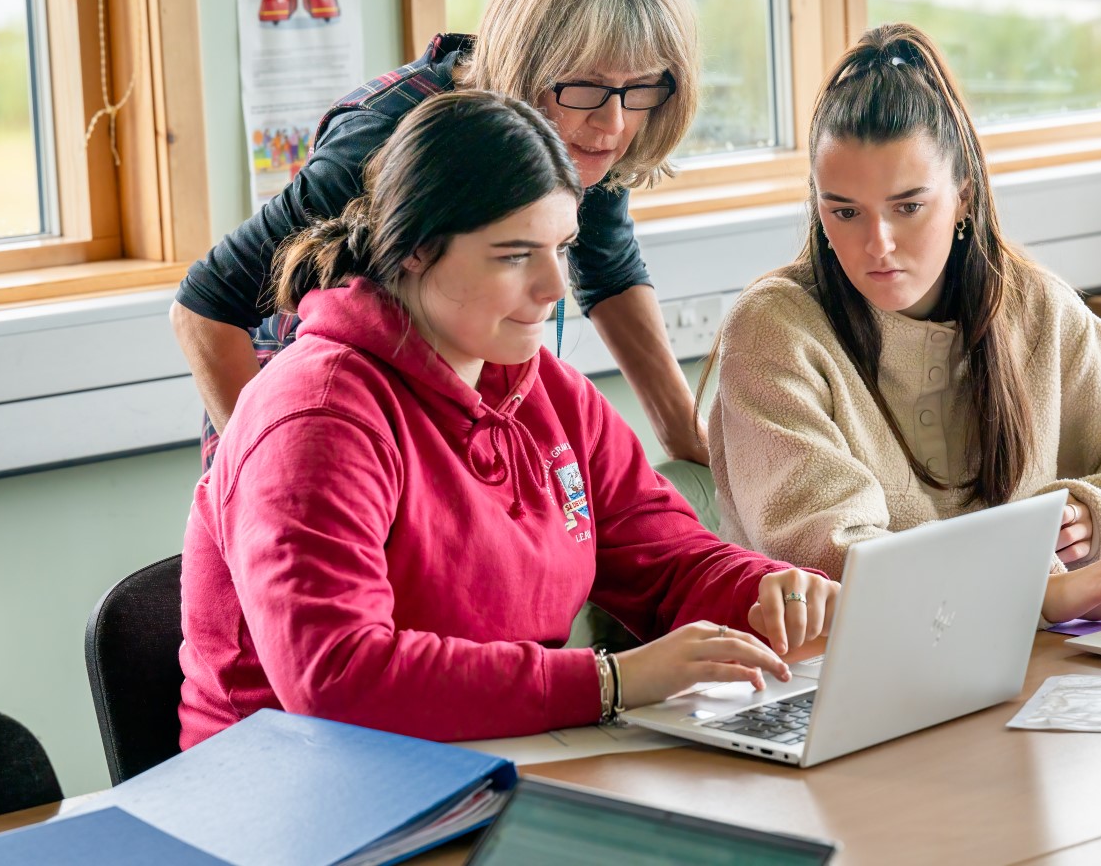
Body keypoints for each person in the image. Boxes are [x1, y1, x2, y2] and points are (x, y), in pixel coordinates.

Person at [179, 91, 838, 747]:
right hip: (298, 798)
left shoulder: (551, 395)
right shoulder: (315, 416)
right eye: (515, 254)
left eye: (562, 247)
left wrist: (768, 590)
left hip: (494, 760)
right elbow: (338, 678)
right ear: (416, 249)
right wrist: (610, 682)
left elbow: (666, 563)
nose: (555, 288)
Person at [705, 23, 1101, 625]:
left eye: (908, 206)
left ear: (964, 197)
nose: (878, 244)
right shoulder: (774, 331)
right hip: (837, 673)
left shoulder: (1035, 307)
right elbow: (835, 556)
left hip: (1030, 655)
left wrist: (1092, 513)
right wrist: (1028, 591)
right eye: (843, 212)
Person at [172, 0, 710, 470]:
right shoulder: (387, 139)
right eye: (588, 86)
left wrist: (693, 442)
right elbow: (204, 306)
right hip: (301, 422)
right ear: (529, 65)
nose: (614, 122)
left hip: (434, 417)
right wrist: (263, 476)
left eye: (642, 86)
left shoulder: (581, 131)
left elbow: (611, 272)